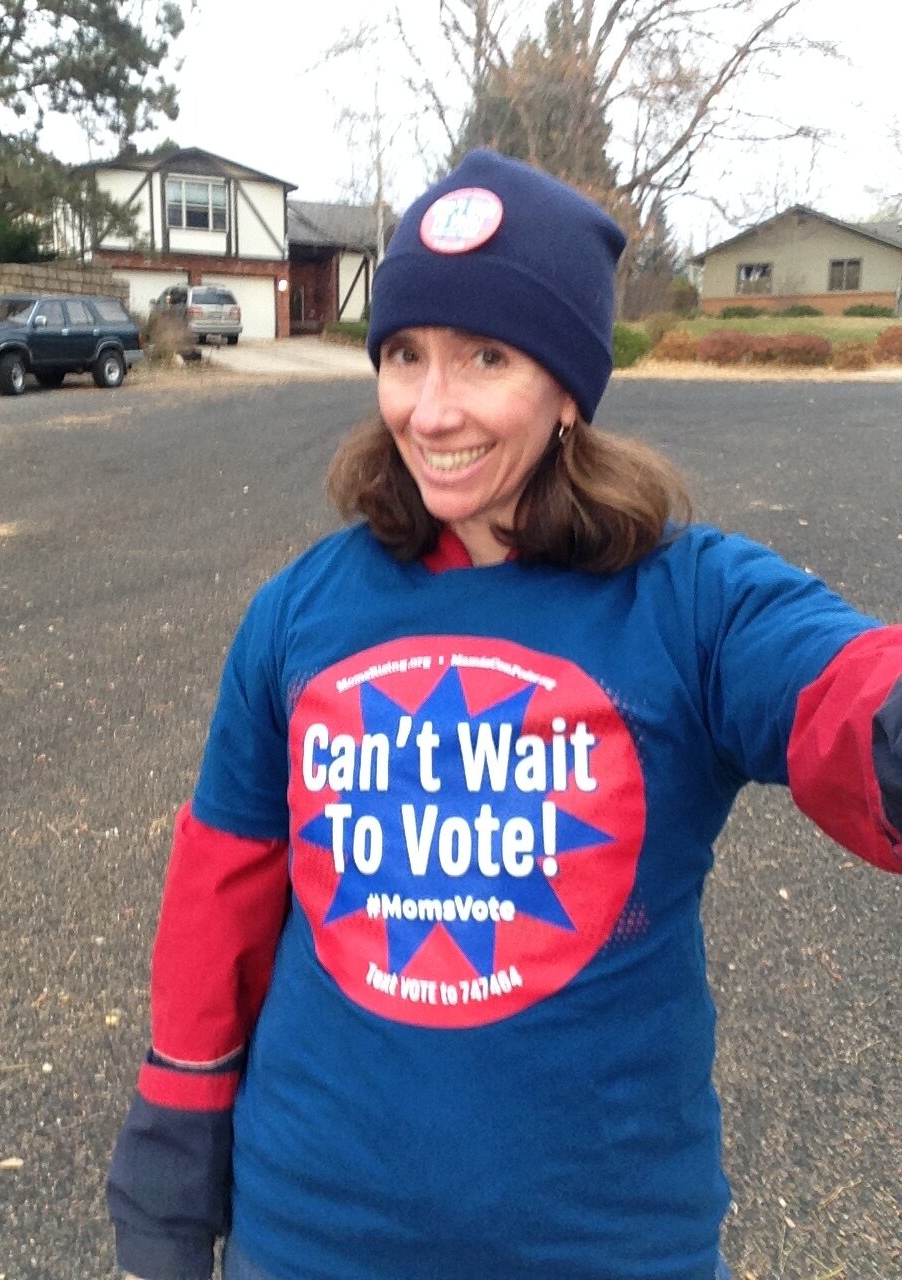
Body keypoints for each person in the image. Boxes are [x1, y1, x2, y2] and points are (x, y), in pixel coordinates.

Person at [107, 149, 901, 1280]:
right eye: (405, 356)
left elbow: (840, 691)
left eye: (487, 357)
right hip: (313, 1235)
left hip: (606, 1242)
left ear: (570, 383)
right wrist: (172, 1175)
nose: (432, 411)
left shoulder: (690, 599)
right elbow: (219, 895)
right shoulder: (300, 612)